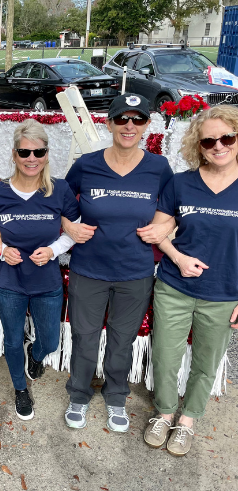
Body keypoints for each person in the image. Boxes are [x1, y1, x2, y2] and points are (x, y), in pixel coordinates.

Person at [61, 93, 171, 433]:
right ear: (108, 123)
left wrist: (164, 227)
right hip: (89, 268)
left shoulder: (159, 167)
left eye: (138, 119)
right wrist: (69, 226)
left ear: (146, 126)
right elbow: (61, 203)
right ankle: (78, 394)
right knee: (85, 335)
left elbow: (171, 213)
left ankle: (116, 396)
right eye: (122, 118)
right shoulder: (87, 164)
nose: (129, 126)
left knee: (123, 338)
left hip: (134, 272)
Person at [141, 104, 238, 457]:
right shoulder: (181, 183)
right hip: (174, 286)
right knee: (166, 356)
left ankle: (188, 421)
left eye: (228, 137)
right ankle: (164, 413)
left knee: (206, 362)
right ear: (198, 145)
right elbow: (157, 231)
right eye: (209, 140)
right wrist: (179, 258)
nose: (219, 146)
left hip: (224, 292)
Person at [0, 119, 76, 420]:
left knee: (50, 340)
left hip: (46, 281)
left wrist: (53, 250)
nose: (31, 159)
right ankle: (20, 389)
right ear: (14, 155)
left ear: (46, 155)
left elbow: (73, 231)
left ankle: (35, 355)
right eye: (24, 153)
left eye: (38, 152)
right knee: (11, 338)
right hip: (9, 281)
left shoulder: (59, 190)